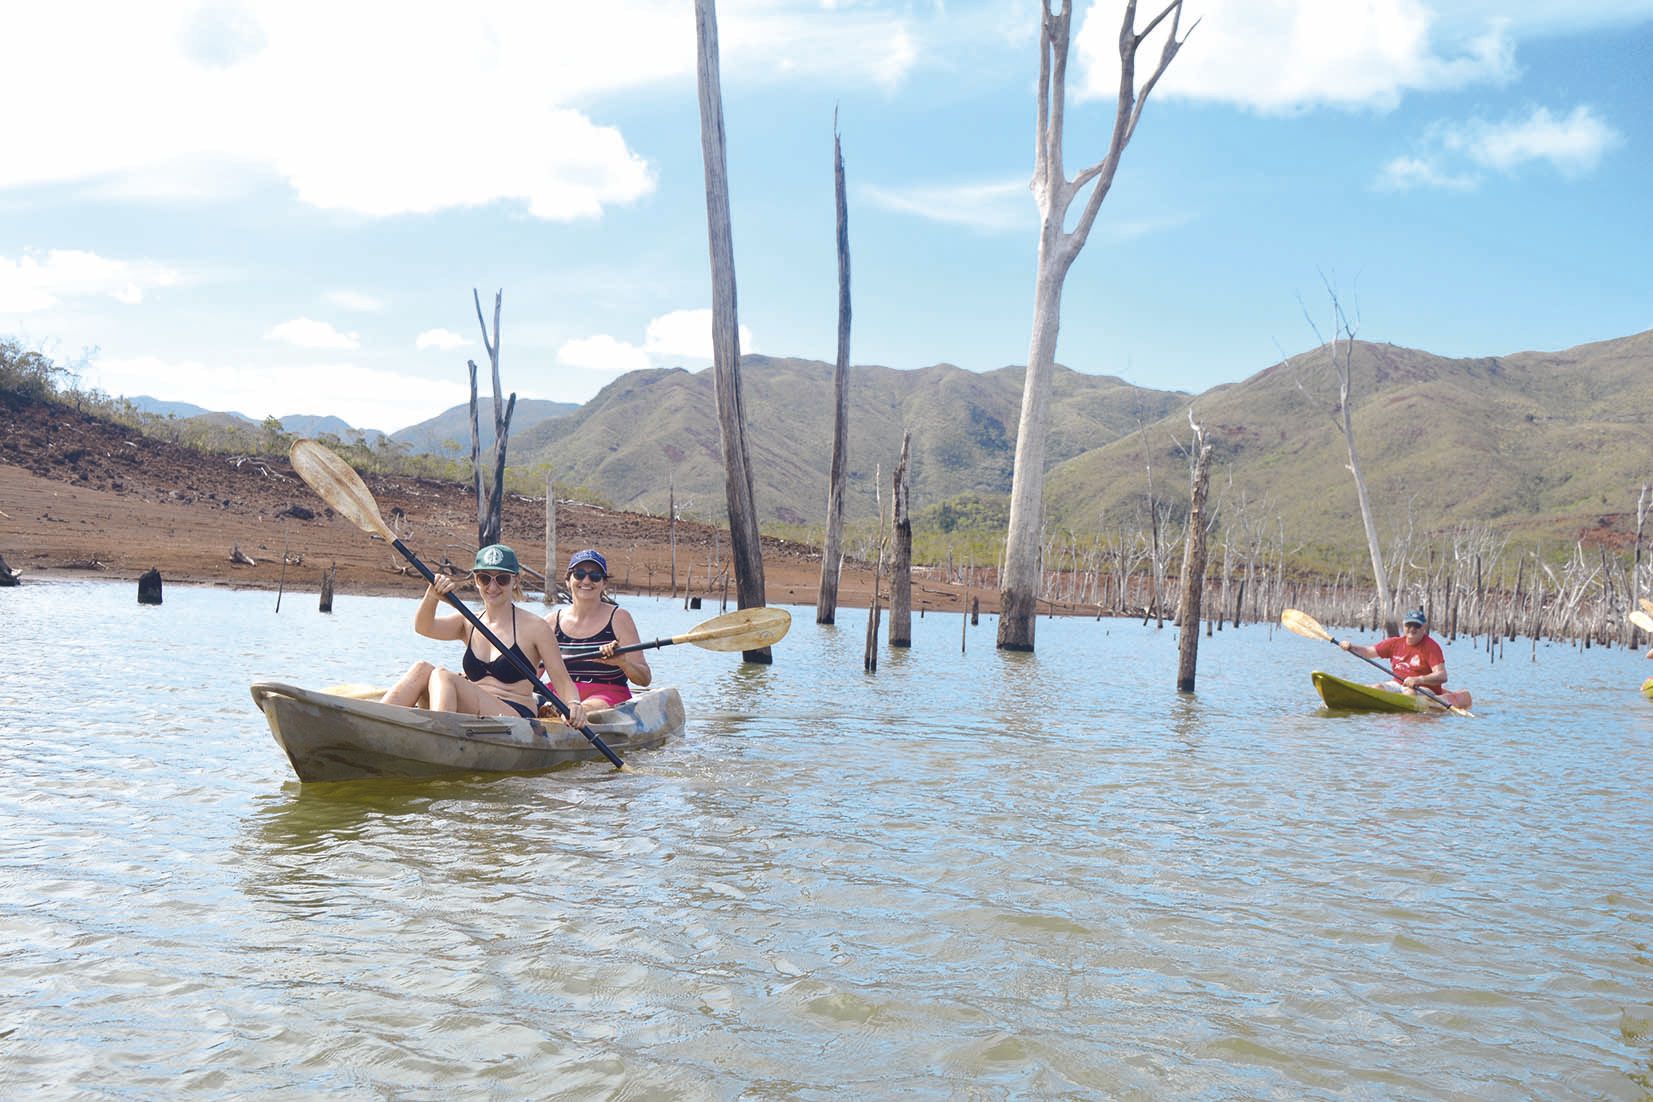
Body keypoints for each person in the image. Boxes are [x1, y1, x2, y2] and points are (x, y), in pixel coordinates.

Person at [380, 543, 588, 728]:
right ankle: (376, 721)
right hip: (474, 712)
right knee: (422, 669)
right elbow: (423, 627)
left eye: (502, 579)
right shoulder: (468, 621)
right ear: (476, 580)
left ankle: (439, 736)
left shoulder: (536, 627)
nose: (492, 587)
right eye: (484, 578)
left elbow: (562, 680)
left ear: (515, 580)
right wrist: (432, 596)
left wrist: (574, 705)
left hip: (515, 716)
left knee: (443, 675)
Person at [545, 549, 652, 709]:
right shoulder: (551, 622)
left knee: (581, 709)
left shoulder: (619, 618)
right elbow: (529, 674)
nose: (586, 581)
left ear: (604, 583)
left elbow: (644, 679)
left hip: (606, 693)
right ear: (568, 580)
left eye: (595, 576)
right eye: (579, 574)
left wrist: (623, 662)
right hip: (560, 692)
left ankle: (568, 714)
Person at [1340, 608, 1472, 710]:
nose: (1412, 629)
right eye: (1409, 625)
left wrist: (1418, 680)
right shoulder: (1394, 643)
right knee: (1377, 686)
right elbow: (1367, 652)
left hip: (1424, 688)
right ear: (1403, 626)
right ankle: (1350, 697)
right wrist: (1350, 647)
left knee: (1410, 692)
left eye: (1417, 626)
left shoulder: (1431, 647)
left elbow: (1442, 676)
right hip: (1398, 684)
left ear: (1424, 628)